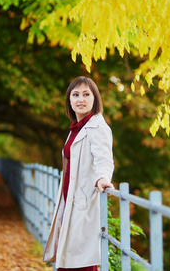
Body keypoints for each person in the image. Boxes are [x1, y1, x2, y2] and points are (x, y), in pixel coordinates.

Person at [43, 76, 115, 270]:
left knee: (81, 261)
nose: (80, 99)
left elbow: (104, 160)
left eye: (86, 94)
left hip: (83, 202)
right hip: (69, 199)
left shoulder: (98, 127)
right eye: (75, 95)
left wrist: (103, 178)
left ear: (95, 99)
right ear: (69, 100)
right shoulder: (77, 127)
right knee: (69, 258)